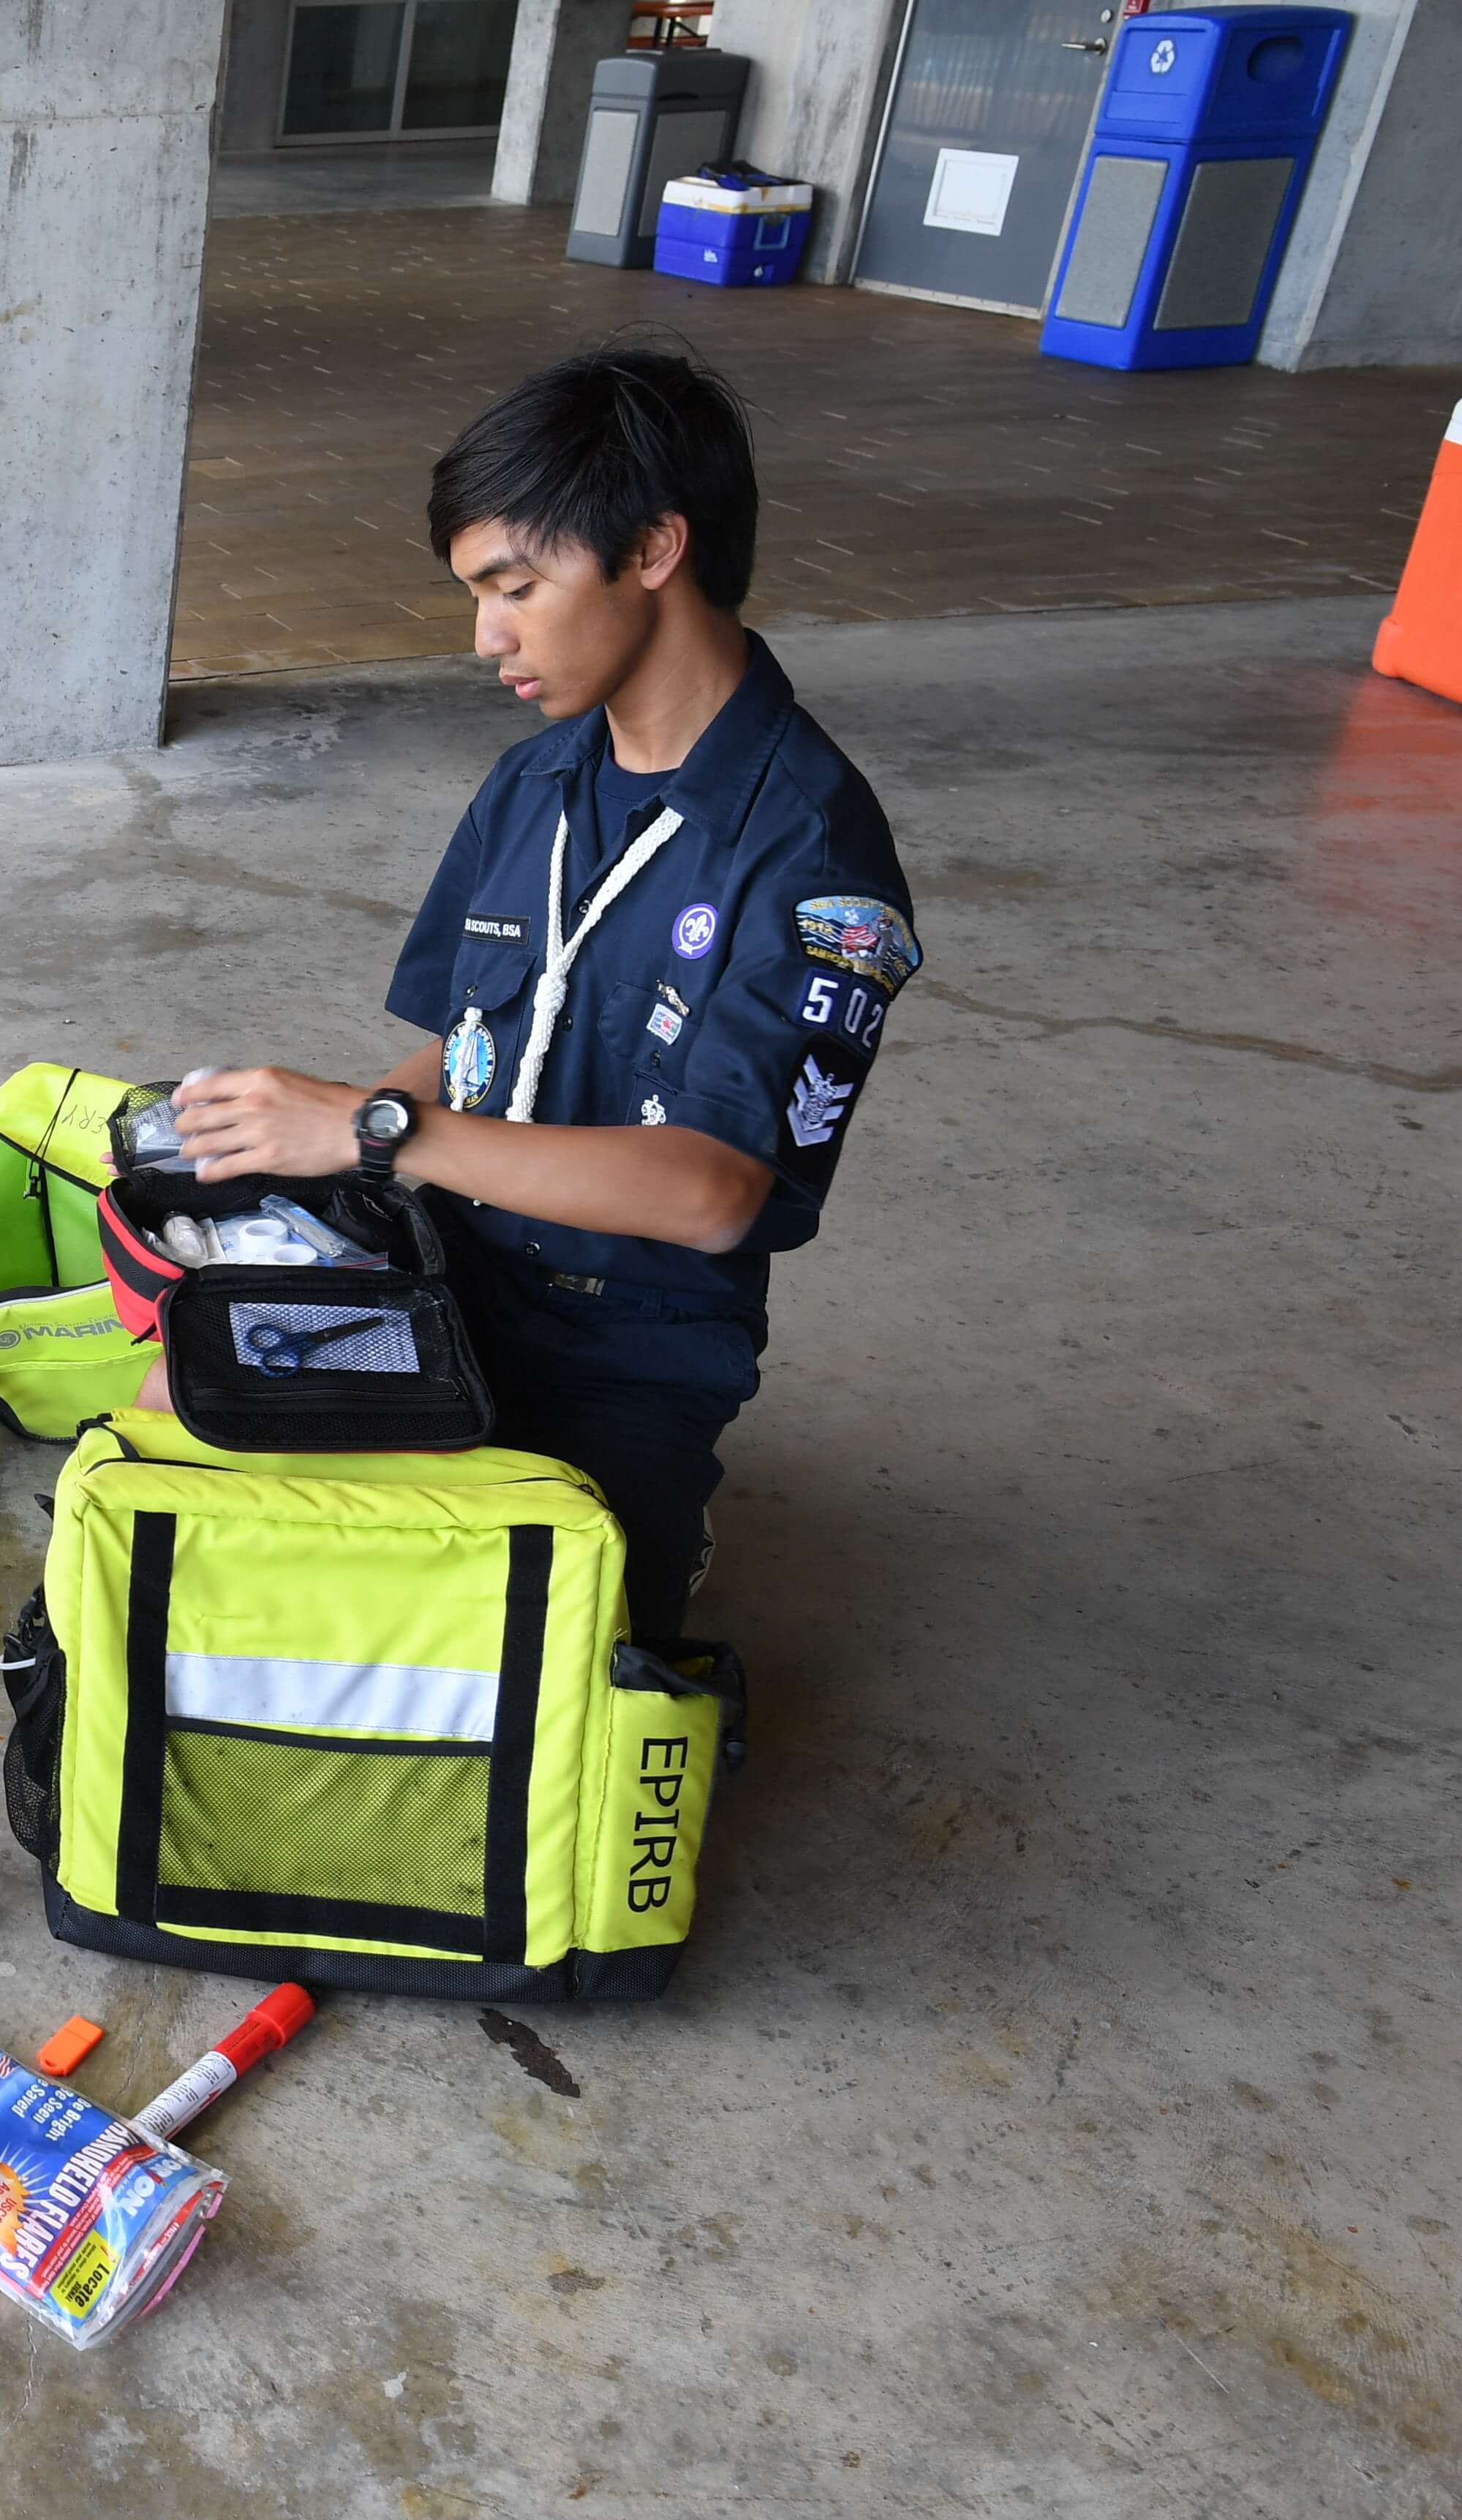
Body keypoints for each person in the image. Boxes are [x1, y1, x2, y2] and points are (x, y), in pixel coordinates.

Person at [165, 347, 920, 1642]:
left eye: (517, 587)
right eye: (476, 594)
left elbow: (710, 1192)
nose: (487, 637)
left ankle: (658, 1547)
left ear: (654, 550)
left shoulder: (807, 850)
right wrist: (290, 1130)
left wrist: (373, 1133)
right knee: (214, 1536)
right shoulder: (534, 787)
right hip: (449, 1283)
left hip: (630, 1355)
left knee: (538, 1672)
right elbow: (464, 1061)